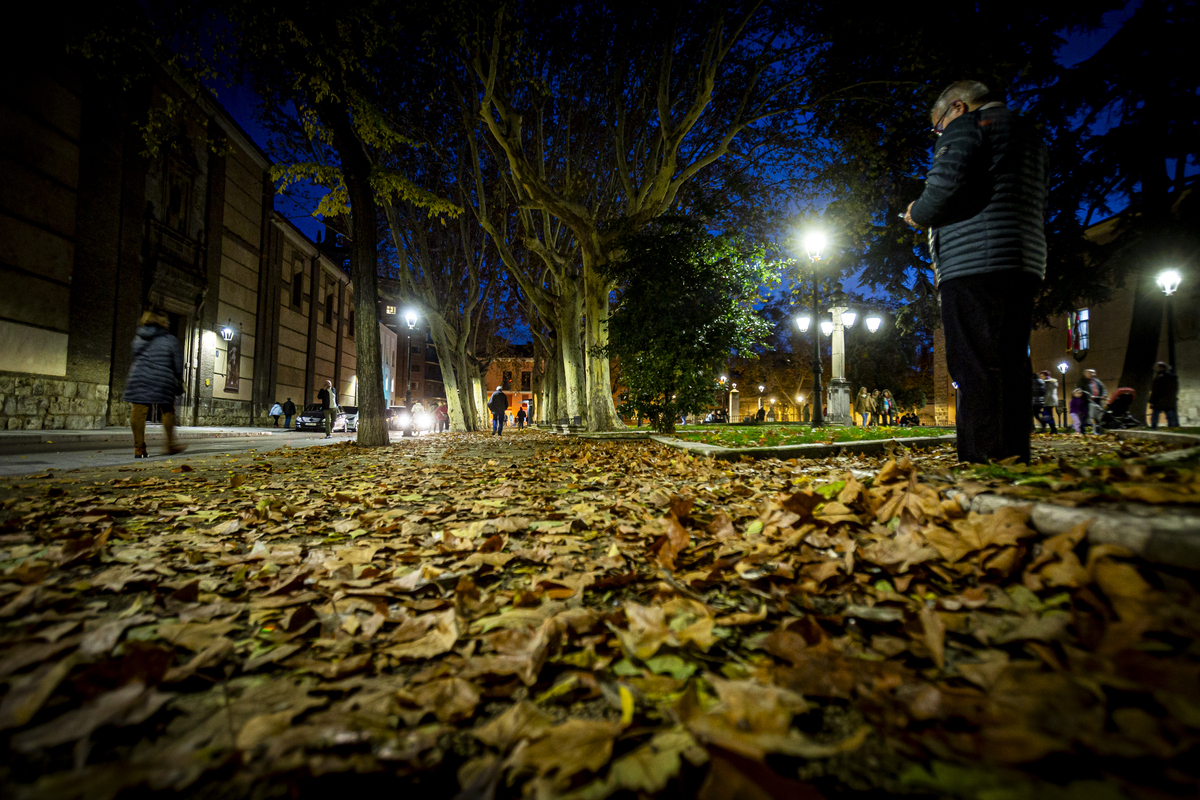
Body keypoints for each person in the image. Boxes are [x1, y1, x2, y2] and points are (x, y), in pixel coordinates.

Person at [904, 80, 1048, 464]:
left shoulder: (969, 126)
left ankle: (982, 458)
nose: (939, 133)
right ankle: (1015, 453)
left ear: (957, 107)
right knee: (1012, 362)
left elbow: (946, 186)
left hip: (973, 262)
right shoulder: (1027, 133)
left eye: (938, 126)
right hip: (1023, 259)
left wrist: (916, 212)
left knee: (974, 363)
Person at [124, 310, 186, 458]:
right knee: (167, 411)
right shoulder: (171, 340)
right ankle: (170, 445)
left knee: (138, 413)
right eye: (166, 322)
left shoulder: (138, 338)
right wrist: (178, 379)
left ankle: (139, 448)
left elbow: (134, 356)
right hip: (162, 379)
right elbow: (177, 365)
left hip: (138, 378)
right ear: (162, 323)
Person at [1149, 361, 1179, 429]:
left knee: (1155, 416)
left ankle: (1154, 428)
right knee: (1170, 416)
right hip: (1169, 400)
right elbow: (1175, 389)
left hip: (1159, 401)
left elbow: (1156, 390)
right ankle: (1172, 428)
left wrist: (1152, 401)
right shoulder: (1172, 377)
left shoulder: (1159, 378)